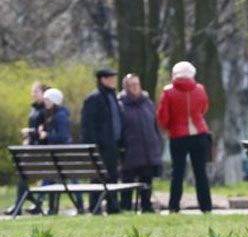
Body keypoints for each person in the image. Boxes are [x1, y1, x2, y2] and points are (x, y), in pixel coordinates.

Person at [157, 61, 212, 213]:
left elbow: (163, 117)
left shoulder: (168, 92)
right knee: (200, 172)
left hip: (177, 136)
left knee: (178, 172)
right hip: (199, 134)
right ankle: (206, 207)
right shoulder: (200, 89)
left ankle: (174, 207)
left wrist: (168, 128)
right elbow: (203, 108)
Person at [118, 73, 163, 212]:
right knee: (128, 181)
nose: (135, 88)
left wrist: (157, 143)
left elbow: (155, 125)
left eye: (136, 84)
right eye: (131, 85)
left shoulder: (148, 103)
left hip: (148, 150)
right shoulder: (120, 105)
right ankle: (125, 207)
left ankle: (146, 206)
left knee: (146, 181)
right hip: (130, 151)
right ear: (125, 87)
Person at [81, 67, 123, 214]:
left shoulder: (113, 97)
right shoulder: (94, 99)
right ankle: (95, 206)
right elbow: (88, 126)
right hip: (100, 147)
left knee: (112, 177)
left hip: (113, 146)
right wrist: (92, 147)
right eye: (110, 78)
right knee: (97, 178)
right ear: (103, 80)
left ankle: (113, 206)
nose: (113, 81)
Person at [5, 82, 48, 216]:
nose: (33, 93)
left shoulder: (46, 110)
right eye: (33, 91)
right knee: (22, 172)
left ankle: (23, 204)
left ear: (43, 93)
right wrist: (28, 137)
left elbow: (45, 132)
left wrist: (31, 133)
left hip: (42, 150)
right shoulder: (34, 108)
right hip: (32, 148)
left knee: (23, 173)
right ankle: (26, 203)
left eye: (36, 91)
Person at [39, 88, 84, 214]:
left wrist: (46, 135)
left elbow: (63, 137)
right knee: (50, 177)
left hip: (64, 154)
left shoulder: (60, 115)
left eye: (48, 99)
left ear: (55, 101)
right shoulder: (52, 114)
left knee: (71, 180)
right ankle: (48, 206)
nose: (45, 102)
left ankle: (78, 205)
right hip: (58, 155)